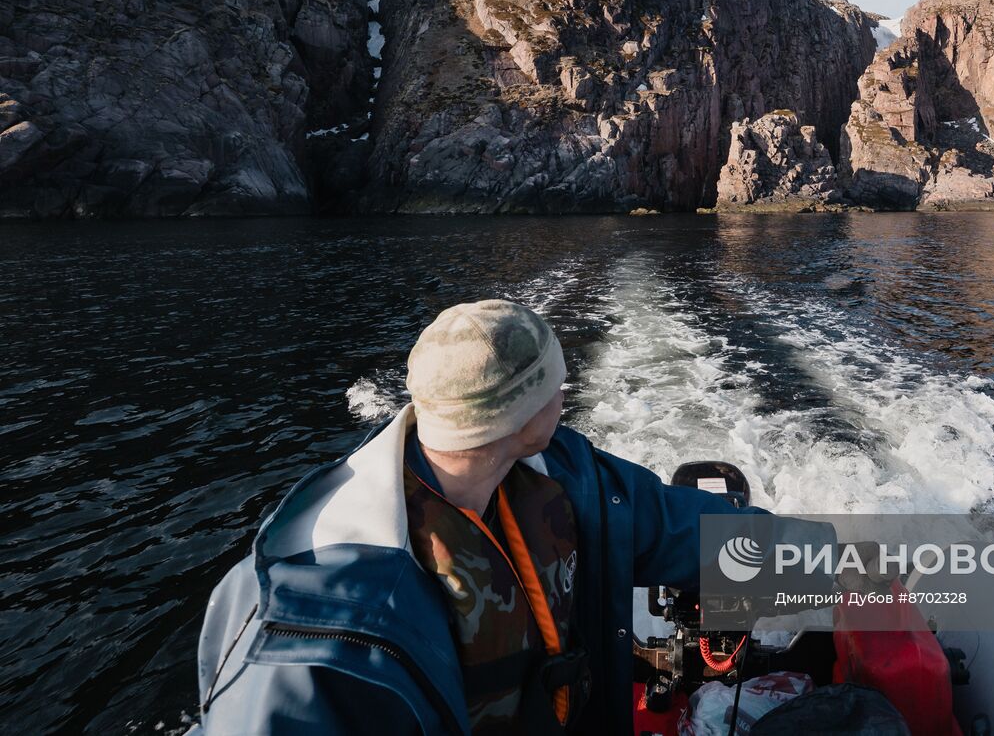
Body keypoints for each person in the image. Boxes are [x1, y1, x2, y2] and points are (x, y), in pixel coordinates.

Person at [192, 299, 763, 735]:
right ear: (520, 416)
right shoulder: (312, 623)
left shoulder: (565, 473)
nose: (565, 392)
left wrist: (847, 575)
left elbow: (691, 532)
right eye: (555, 382)